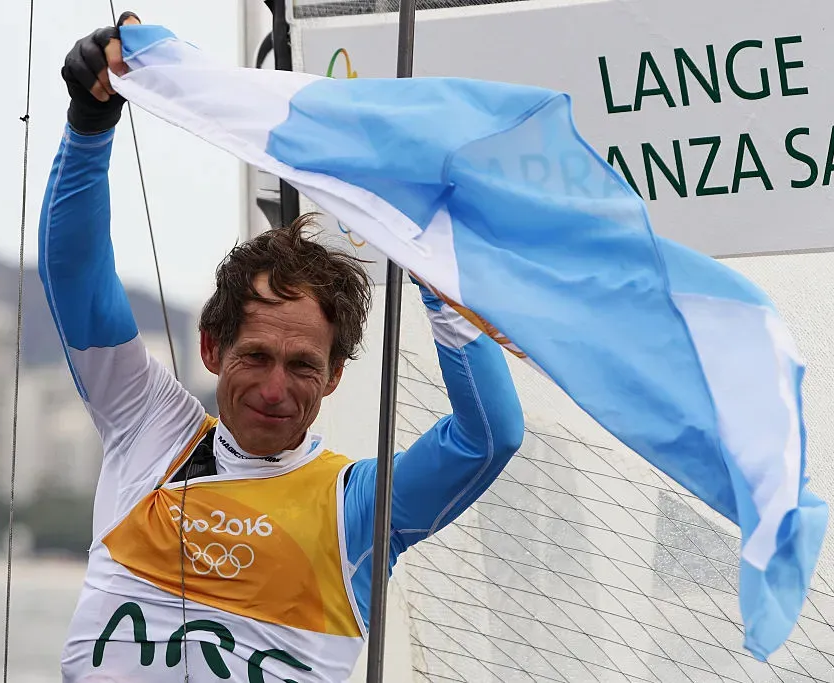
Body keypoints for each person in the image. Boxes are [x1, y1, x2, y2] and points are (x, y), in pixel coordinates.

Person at [42, 12, 524, 683]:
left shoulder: (356, 508)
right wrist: (89, 128)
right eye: (256, 356)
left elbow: (489, 437)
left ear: (332, 377)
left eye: (303, 366)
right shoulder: (146, 427)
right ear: (212, 347)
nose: (275, 390)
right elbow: (77, 282)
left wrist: (438, 279)